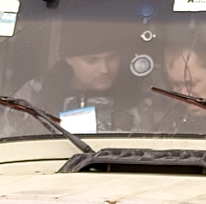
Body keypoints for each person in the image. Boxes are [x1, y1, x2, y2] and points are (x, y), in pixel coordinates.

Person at [9, 20, 138, 135]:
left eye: (112, 57)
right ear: (69, 59)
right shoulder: (34, 93)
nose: (104, 69)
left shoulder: (140, 97)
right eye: (92, 61)